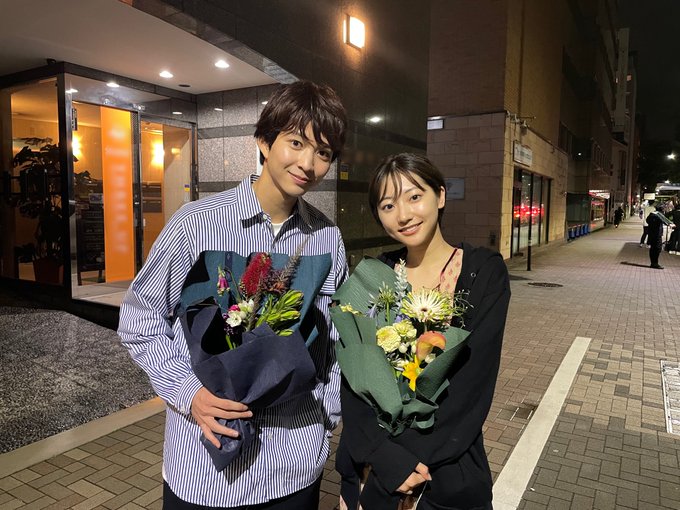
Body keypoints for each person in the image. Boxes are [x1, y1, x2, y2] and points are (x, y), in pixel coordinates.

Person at [118, 80, 348, 509]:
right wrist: (188, 393)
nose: (308, 163)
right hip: (205, 467)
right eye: (296, 143)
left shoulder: (326, 237)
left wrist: (325, 418)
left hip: (294, 465)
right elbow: (140, 319)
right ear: (264, 140)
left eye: (323, 152)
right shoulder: (196, 223)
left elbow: (334, 339)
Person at [335, 153, 511, 510]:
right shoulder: (375, 274)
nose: (403, 215)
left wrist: (401, 464)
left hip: (442, 471)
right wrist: (382, 456)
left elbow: (472, 386)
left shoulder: (482, 272)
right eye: (388, 205)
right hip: (372, 466)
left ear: (440, 196)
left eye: (414, 197)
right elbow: (353, 376)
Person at [646, 204, 674, 269]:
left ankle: (653, 263)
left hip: (651, 234)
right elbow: (665, 221)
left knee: (652, 248)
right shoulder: (659, 215)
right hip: (657, 234)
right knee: (657, 248)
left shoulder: (651, 214)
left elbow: (647, 221)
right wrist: (670, 224)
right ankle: (655, 263)